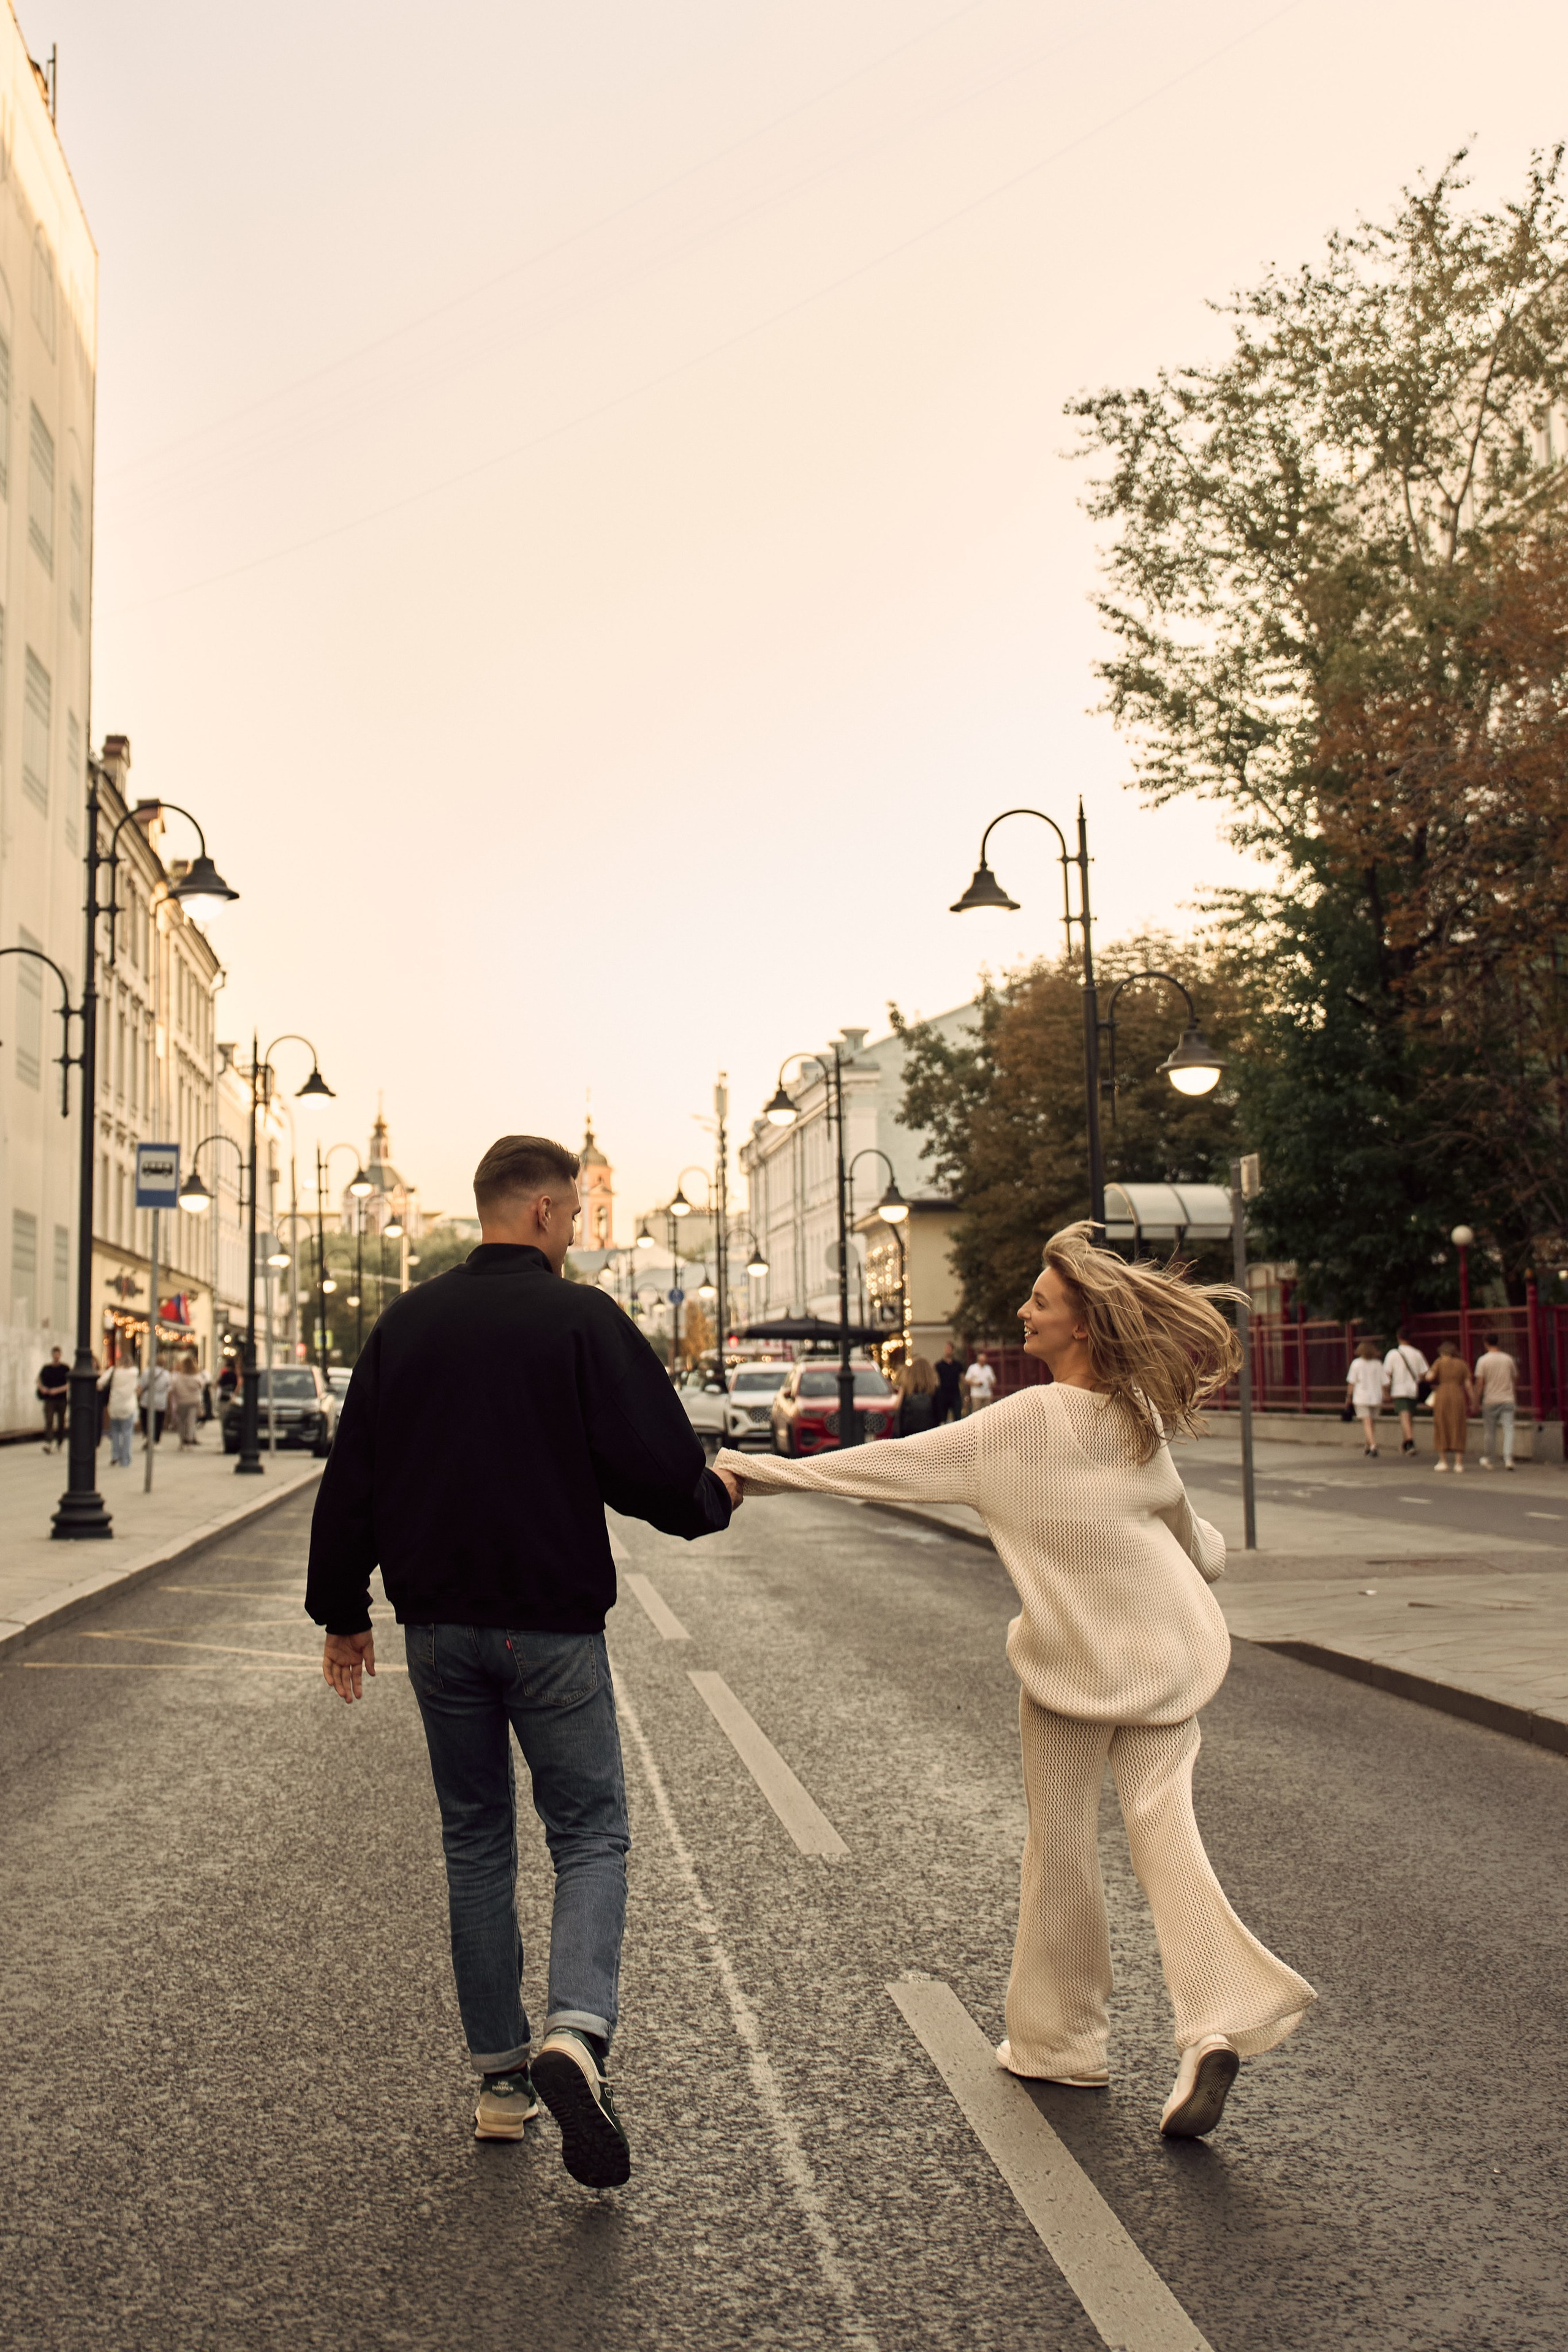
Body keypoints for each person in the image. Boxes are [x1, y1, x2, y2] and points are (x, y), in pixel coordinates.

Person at [713, 1221, 1314, 2141]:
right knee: (1165, 1831)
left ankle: (1061, 2044)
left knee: (1062, 1847)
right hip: (1166, 1651)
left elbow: (884, 1469)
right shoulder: (1136, 1420)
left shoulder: (1021, 1423)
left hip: (1072, 1667)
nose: (1023, 1311)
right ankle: (1215, 2022)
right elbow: (1191, 1540)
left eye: (1040, 1300)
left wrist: (751, 1471)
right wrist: (1215, 1560)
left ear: (1079, 1326)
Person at [307, 1133, 734, 2190]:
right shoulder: (582, 1319)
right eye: (578, 1211)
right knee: (590, 1831)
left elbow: (352, 1472)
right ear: (542, 1211)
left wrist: (341, 1611)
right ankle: (576, 2033)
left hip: (440, 1631)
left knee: (476, 1839)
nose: (583, 1227)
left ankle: (501, 2085)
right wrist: (705, 1505)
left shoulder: (403, 1325)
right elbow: (649, 1461)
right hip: (551, 1627)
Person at [1381, 1327, 1430, 1457]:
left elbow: (1387, 1374)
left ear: (1398, 1337)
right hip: (1413, 1389)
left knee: (1404, 1415)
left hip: (1399, 1389)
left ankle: (1410, 1443)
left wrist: (1386, 1391)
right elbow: (1424, 1373)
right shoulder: (1417, 1353)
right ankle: (1405, 1442)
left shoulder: (1393, 1354)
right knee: (1409, 1416)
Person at [1473, 1333, 1518, 1471]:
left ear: (1486, 1343)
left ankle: (1489, 1459)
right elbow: (1515, 1377)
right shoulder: (1508, 1359)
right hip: (1507, 1398)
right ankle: (1508, 1459)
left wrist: (1476, 1401)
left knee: (1490, 1431)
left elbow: (1480, 1383)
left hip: (1491, 1400)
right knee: (1509, 1429)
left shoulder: (1483, 1361)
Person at [1428, 1340, 1471, 1473]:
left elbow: (1430, 1377)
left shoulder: (1439, 1363)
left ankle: (1444, 1461)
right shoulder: (1462, 1364)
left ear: (1442, 1352)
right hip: (1458, 1395)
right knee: (1458, 1425)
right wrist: (1474, 1400)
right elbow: (1468, 1385)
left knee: (1441, 1425)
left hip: (1442, 1395)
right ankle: (1459, 1463)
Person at [1344, 1339, 1385, 1457]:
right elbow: (1384, 1382)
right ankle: (1368, 1445)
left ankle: (1373, 1446)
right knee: (1372, 1422)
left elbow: (1352, 1382)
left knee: (1367, 1422)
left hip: (1361, 1397)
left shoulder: (1356, 1364)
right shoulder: (1378, 1364)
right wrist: (1385, 1394)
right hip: (1376, 1397)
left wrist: (1348, 1397)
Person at [98, 1356, 140, 1468]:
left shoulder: (114, 1371)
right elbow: (136, 1387)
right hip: (128, 1405)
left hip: (115, 1405)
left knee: (115, 1432)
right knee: (127, 1433)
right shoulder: (134, 1372)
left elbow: (100, 1382)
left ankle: (115, 1455)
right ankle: (125, 1459)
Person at [897, 1355, 940, 1437]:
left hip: (909, 1434)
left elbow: (899, 1413)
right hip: (929, 1434)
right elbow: (939, 1415)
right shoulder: (934, 1391)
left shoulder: (907, 1390)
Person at [36, 1347, 69, 1452]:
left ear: (60, 1355)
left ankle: (60, 1441)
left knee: (61, 1422)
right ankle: (49, 1442)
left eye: (58, 1354)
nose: (56, 1356)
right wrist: (42, 1389)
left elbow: (69, 1384)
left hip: (61, 1399)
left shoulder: (65, 1368)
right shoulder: (47, 1368)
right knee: (49, 1420)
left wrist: (57, 1390)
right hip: (49, 1399)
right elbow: (38, 1379)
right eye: (55, 1354)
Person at [169, 1356, 205, 1448]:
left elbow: (173, 1389)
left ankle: (182, 1440)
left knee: (181, 1421)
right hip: (194, 1402)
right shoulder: (197, 1377)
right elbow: (202, 1387)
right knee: (191, 1422)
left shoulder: (178, 1378)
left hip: (181, 1402)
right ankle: (189, 1440)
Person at [138, 1353, 172, 1448]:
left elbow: (141, 1385)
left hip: (147, 1400)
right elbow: (169, 1388)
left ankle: (147, 1436)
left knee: (146, 1419)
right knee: (158, 1421)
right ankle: (156, 1440)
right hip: (161, 1400)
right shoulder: (166, 1374)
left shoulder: (147, 1372)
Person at [933, 1343, 964, 1425]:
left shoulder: (958, 1365)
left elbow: (962, 1379)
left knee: (958, 1417)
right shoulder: (939, 1365)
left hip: (955, 1393)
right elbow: (936, 1379)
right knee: (943, 1418)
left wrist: (963, 1393)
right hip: (943, 1394)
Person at [963, 1348, 997, 1414]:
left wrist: (992, 1384)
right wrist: (976, 1384)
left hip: (987, 1394)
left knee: (988, 1412)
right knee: (976, 1412)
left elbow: (993, 1380)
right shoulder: (973, 1368)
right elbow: (967, 1380)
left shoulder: (988, 1368)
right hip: (976, 1394)